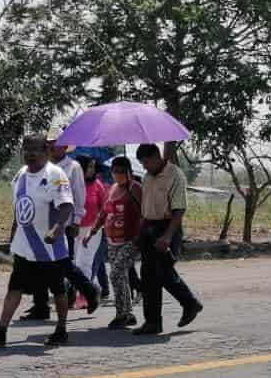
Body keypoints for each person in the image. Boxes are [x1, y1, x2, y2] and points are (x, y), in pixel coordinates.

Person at [0, 135, 79, 348]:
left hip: (49, 246)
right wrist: (14, 232)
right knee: (15, 286)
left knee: (58, 289)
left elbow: (66, 206)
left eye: (35, 150)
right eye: (26, 149)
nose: (30, 154)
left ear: (46, 152)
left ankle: (61, 329)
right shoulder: (21, 174)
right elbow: (20, 207)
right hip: (25, 245)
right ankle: (1, 330)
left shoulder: (55, 174)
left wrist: (57, 229)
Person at [132, 142, 204, 335]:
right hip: (149, 226)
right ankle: (153, 322)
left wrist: (167, 236)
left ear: (157, 157)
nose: (145, 167)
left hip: (167, 227)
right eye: (143, 164)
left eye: (147, 163)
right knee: (148, 276)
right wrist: (140, 233)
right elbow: (145, 208)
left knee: (163, 272)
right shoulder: (147, 177)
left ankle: (190, 303)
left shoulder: (175, 175)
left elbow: (179, 209)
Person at [25, 135, 99, 318]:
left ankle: (89, 290)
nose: (50, 147)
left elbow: (78, 196)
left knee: (63, 265)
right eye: (48, 144)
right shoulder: (41, 166)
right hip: (40, 222)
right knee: (35, 263)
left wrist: (76, 221)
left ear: (64, 147)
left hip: (61, 224)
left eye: (54, 144)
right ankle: (40, 305)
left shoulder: (73, 167)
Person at [84, 155, 144, 328]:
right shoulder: (112, 189)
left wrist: (140, 236)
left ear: (129, 172)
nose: (117, 174)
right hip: (112, 240)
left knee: (116, 273)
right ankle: (128, 314)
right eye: (115, 171)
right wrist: (92, 232)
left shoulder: (135, 188)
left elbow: (144, 213)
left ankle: (122, 314)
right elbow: (103, 213)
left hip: (131, 240)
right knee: (121, 275)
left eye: (121, 171)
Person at [77, 155, 111, 301]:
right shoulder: (72, 184)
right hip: (74, 229)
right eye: (89, 166)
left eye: (93, 166)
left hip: (92, 230)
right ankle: (76, 293)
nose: (92, 170)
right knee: (74, 263)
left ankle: (85, 297)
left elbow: (105, 209)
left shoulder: (98, 185)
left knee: (86, 261)